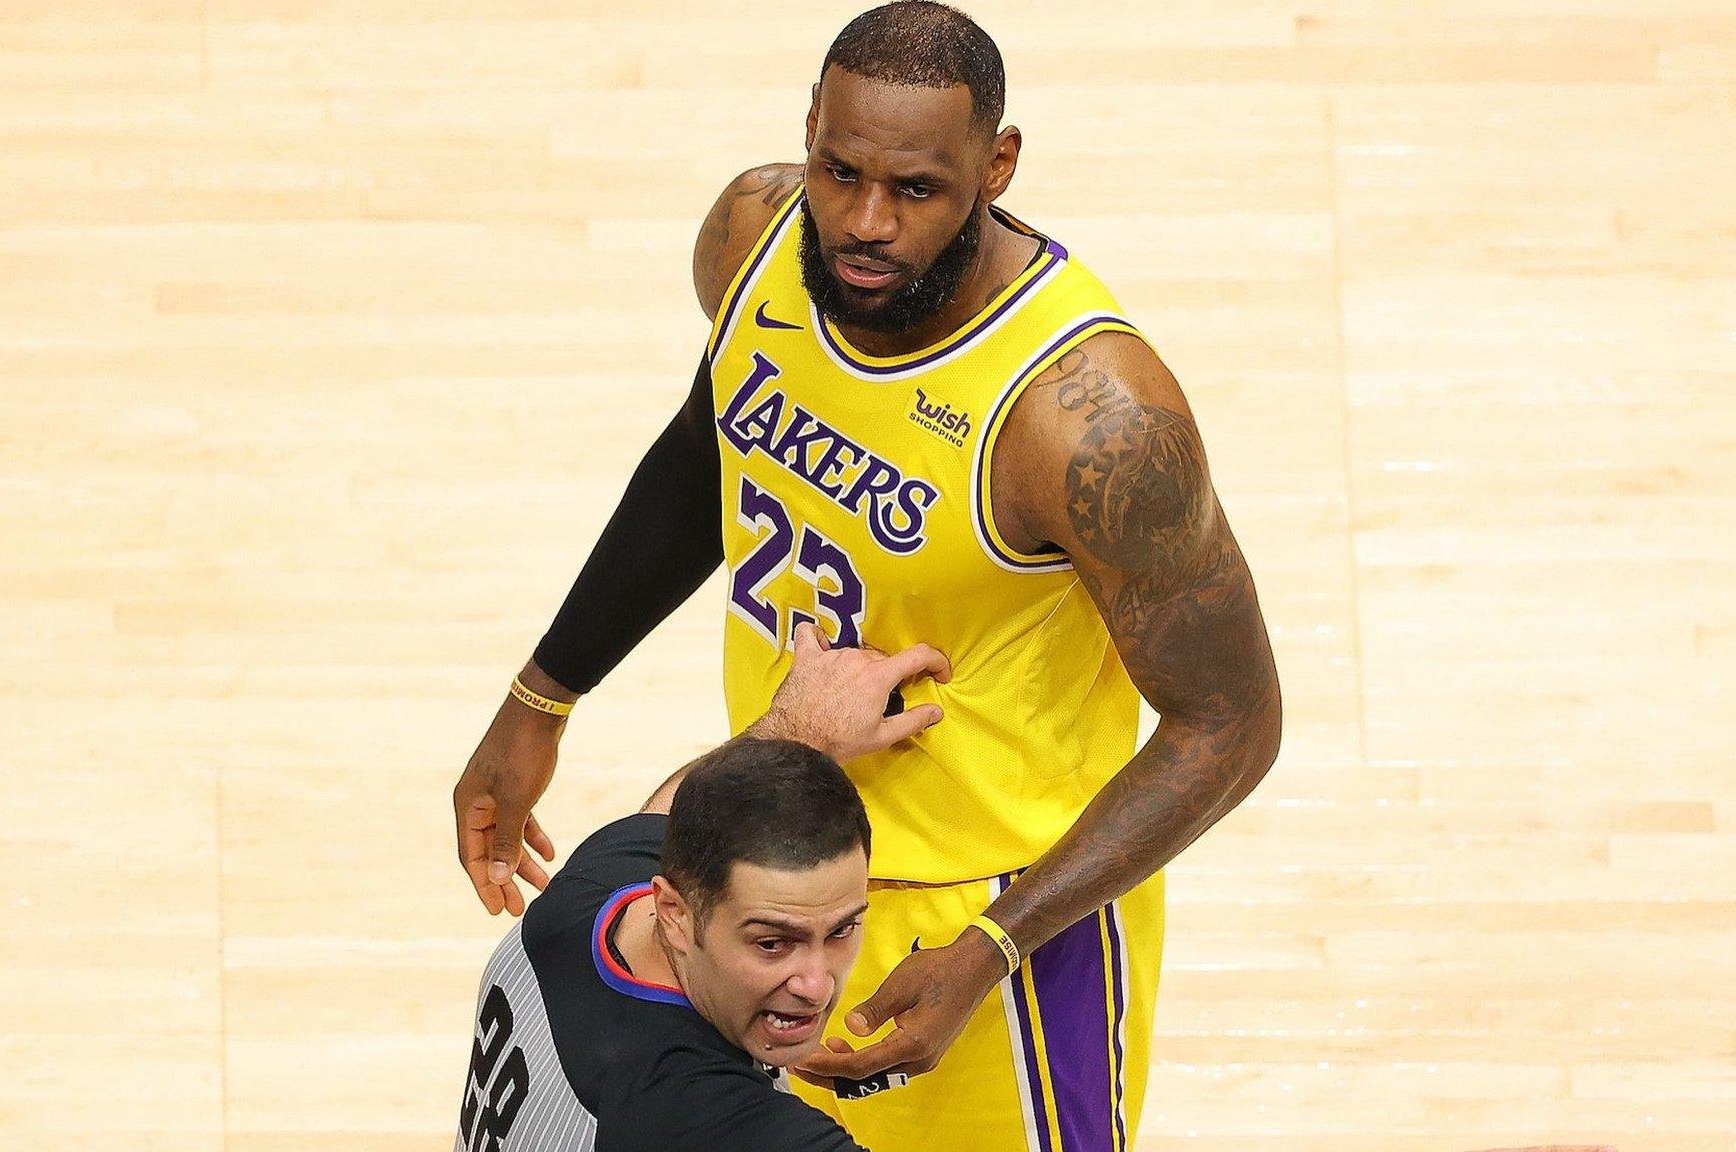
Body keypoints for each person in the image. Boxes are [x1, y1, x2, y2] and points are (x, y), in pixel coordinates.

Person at [452, 3, 1283, 1148]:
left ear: (994, 167)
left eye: (915, 190)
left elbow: (1232, 723)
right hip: (769, 870)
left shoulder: (1087, 423)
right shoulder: (752, 238)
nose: (862, 222)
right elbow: (708, 457)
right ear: (805, 133)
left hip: (995, 927)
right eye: (836, 172)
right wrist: (543, 695)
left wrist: (995, 947)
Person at [457, 622, 946, 1151]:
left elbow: (674, 810)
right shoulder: (704, 1115)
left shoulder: (592, 890)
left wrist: (801, 727)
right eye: (772, 942)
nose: (816, 984)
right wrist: (994, 948)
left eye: (842, 930)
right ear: (673, 911)